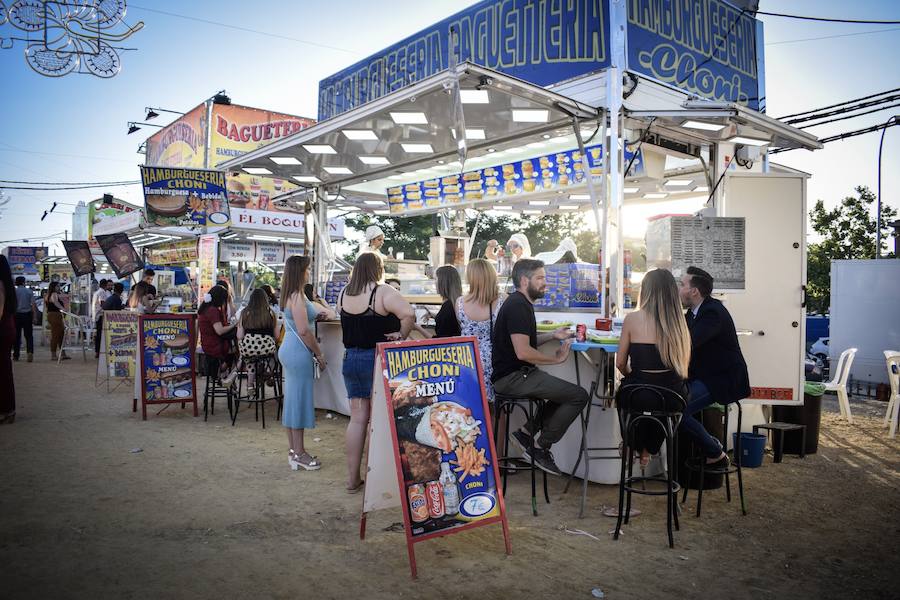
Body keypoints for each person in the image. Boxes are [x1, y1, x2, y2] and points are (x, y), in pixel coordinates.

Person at [491, 258, 588, 475]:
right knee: (578, 396)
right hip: (512, 379)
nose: (546, 283)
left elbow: (525, 340)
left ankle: (526, 433)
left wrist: (553, 335)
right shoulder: (518, 306)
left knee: (563, 394)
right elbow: (523, 352)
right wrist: (556, 359)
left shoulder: (519, 303)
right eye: (540, 278)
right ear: (525, 280)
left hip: (517, 375)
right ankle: (540, 448)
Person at [338, 252, 414, 493]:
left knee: (357, 418)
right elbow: (409, 313)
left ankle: (352, 479)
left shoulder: (343, 293)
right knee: (379, 420)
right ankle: (375, 479)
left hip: (351, 358)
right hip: (376, 359)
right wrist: (401, 334)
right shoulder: (382, 292)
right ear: (377, 269)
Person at [615, 269, 691, 466]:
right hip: (672, 395)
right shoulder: (680, 323)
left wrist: (634, 376)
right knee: (660, 401)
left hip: (638, 392)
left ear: (646, 291)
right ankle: (648, 449)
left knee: (631, 396)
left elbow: (620, 363)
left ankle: (631, 444)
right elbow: (683, 367)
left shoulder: (633, 319)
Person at [678, 266, 751, 468]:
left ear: (694, 291)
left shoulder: (712, 312)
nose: (679, 289)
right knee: (671, 403)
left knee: (676, 409)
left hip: (722, 379)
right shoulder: (692, 313)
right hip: (704, 376)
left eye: (682, 284)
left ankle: (715, 452)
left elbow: (688, 343)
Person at [279, 255, 328, 472]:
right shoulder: (298, 296)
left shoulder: (291, 295)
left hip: (290, 349)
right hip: (298, 351)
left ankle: (294, 451)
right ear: (301, 272)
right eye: (307, 269)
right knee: (298, 401)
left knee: (292, 400)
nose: (309, 272)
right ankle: (299, 453)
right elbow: (303, 331)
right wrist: (319, 354)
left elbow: (300, 323)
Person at [457, 258, 504, 403]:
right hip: (493, 360)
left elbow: (462, 327)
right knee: (496, 410)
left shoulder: (459, 302)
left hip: (465, 359)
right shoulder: (503, 300)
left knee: (470, 406)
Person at [237, 288, 284, 388]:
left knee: (249, 358)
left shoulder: (244, 313)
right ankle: (268, 371)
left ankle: (250, 385)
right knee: (272, 355)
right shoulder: (271, 313)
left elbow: (240, 336)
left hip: (248, 348)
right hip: (266, 348)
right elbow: (277, 336)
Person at [198, 284, 238, 385]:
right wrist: (234, 325)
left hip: (207, 343)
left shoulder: (205, 308)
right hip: (215, 345)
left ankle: (220, 373)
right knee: (237, 351)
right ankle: (222, 375)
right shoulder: (213, 311)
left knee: (234, 348)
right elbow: (219, 330)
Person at [0, 256, 17, 423]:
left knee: (3, 372)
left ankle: (5, 410)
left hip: (2, 331)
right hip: (7, 329)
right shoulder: (7, 285)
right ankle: (8, 410)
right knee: (4, 370)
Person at [433, 265, 462, 338]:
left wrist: (417, 327)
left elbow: (439, 341)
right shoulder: (458, 302)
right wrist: (433, 315)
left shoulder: (447, 307)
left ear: (443, 282)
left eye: (435, 279)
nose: (434, 283)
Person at [13, 276, 35, 363]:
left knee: (16, 336)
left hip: (16, 315)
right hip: (27, 315)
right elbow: (33, 305)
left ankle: (16, 355)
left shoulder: (14, 292)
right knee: (29, 335)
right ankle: (30, 352)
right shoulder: (29, 291)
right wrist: (35, 316)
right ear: (23, 282)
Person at [45, 281, 68, 360]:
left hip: (52, 315)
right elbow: (56, 302)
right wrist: (63, 309)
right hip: (55, 316)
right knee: (56, 335)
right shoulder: (54, 294)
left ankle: (63, 353)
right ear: (54, 287)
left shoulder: (48, 295)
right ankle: (54, 355)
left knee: (61, 334)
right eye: (57, 286)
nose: (59, 288)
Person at [92, 279, 111, 358]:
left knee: (99, 334)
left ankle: (97, 351)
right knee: (100, 335)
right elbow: (102, 303)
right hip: (100, 315)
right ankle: (98, 352)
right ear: (105, 285)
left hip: (96, 315)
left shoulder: (96, 292)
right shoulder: (102, 292)